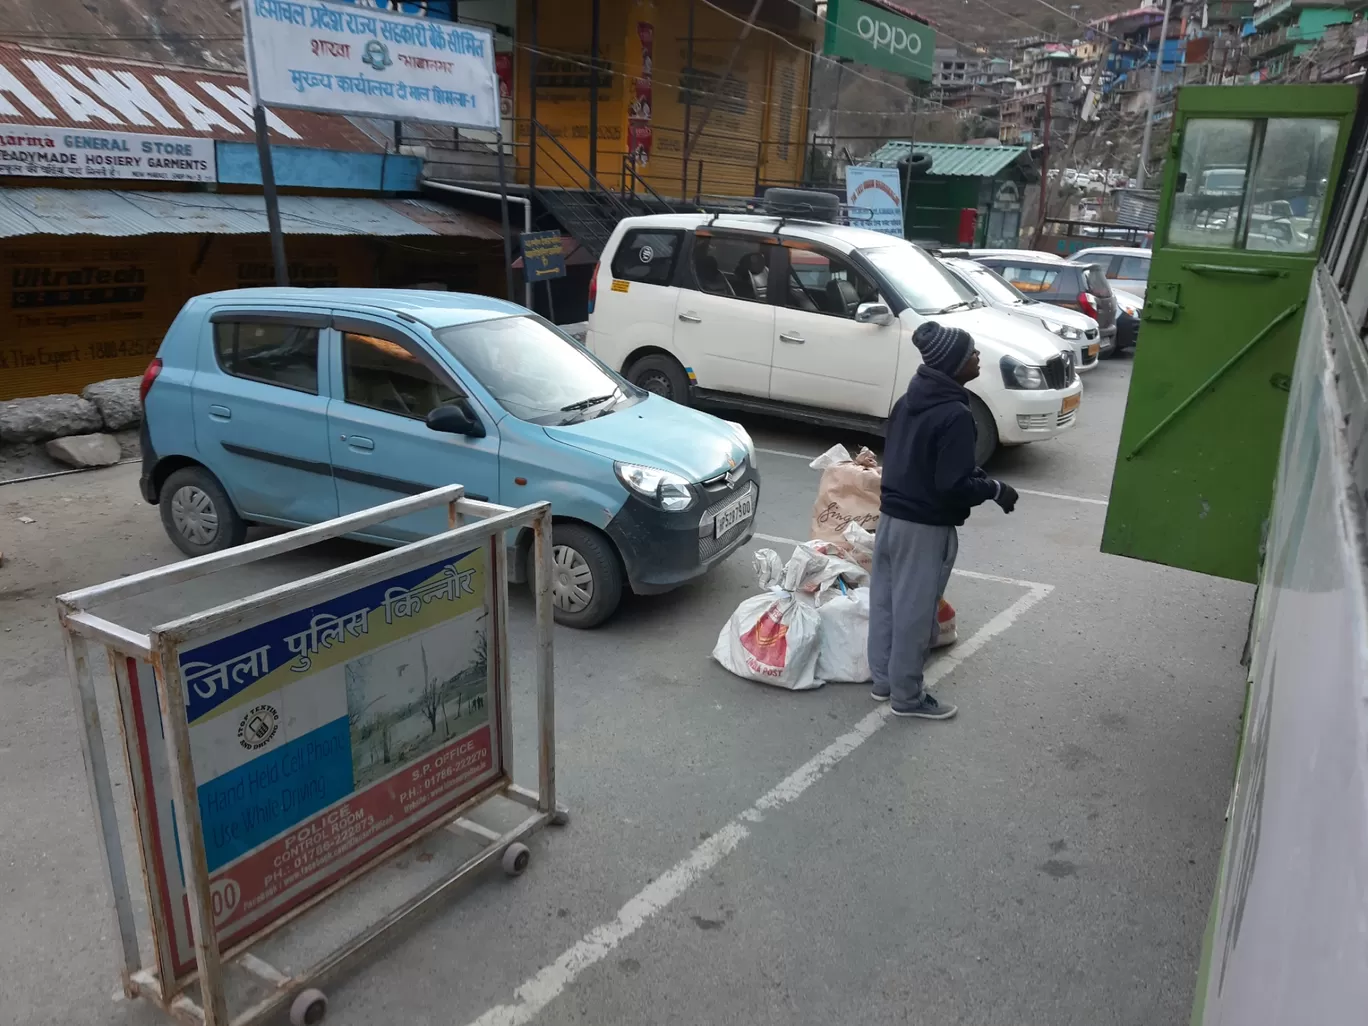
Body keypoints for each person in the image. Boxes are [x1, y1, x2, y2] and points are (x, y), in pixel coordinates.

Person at [868, 321, 1019, 719]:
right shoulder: (954, 414)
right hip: (924, 527)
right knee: (915, 615)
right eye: (971, 353)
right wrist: (996, 490)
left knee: (885, 605)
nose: (978, 357)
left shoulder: (907, 401)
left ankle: (883, 681)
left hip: (890, 520)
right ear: (954, 365)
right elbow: (952, 483)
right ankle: (907, 698)